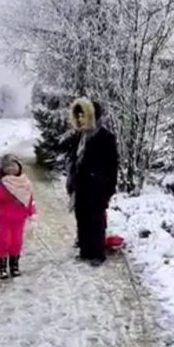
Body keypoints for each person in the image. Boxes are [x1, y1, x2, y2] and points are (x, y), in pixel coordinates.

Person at [65, 97, 118, 266]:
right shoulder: (79, 137)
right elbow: (74, 160)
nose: (80, 119)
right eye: (78, 116)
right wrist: (71, 179)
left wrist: (109, 188)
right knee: (82, 218)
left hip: (98, 188)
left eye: (84, 116)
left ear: (92, 116)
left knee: (96, 220)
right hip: (80, 186)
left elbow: (112, 165)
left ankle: (97, 253)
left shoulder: (105, 137)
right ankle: (85, 250)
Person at [0, 153, 36, 279]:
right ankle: (1, 266)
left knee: (17, 242)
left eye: (13, 166)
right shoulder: (1, 186)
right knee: (3, 241)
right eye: (7, 167)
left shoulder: (26, 184)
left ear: (19, 167)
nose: (11, 169)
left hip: (19, 220)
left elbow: (29, 200)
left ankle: (14, 264)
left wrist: (33, 215)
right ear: (3, 170)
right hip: (4, 220)